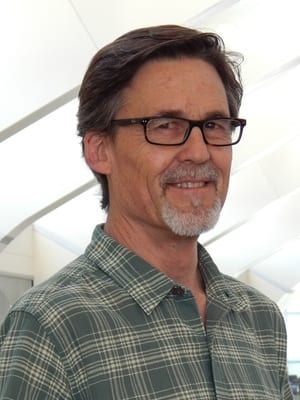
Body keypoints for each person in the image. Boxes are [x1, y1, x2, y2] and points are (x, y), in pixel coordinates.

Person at [0, 25, 293, 399]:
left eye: (214, 125)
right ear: (100, 150)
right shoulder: (52, 326)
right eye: (166, 125)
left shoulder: (259, 318)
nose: (200, 152)